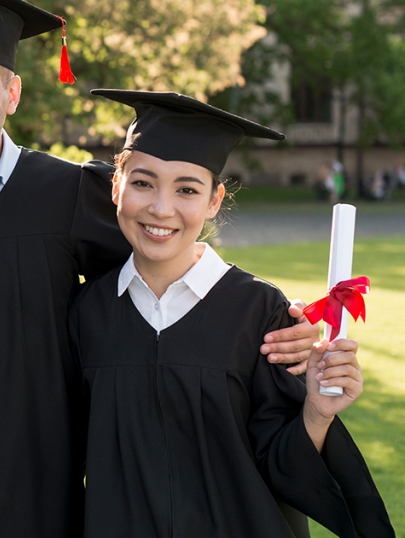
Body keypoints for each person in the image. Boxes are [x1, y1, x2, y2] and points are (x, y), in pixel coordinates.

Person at [0, 0, 322, 535]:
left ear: (12, 94)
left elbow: (166, 239)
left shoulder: (70, 193)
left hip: (47, 499)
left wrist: (263, 317)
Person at [71, 89, 394, 537]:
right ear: (116, 187)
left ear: (214, 201)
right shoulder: (88, 312)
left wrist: (317, 413)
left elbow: (284, 466)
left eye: (187, 189)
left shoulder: (260, 313)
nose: (161, 208)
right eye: (143, 182)